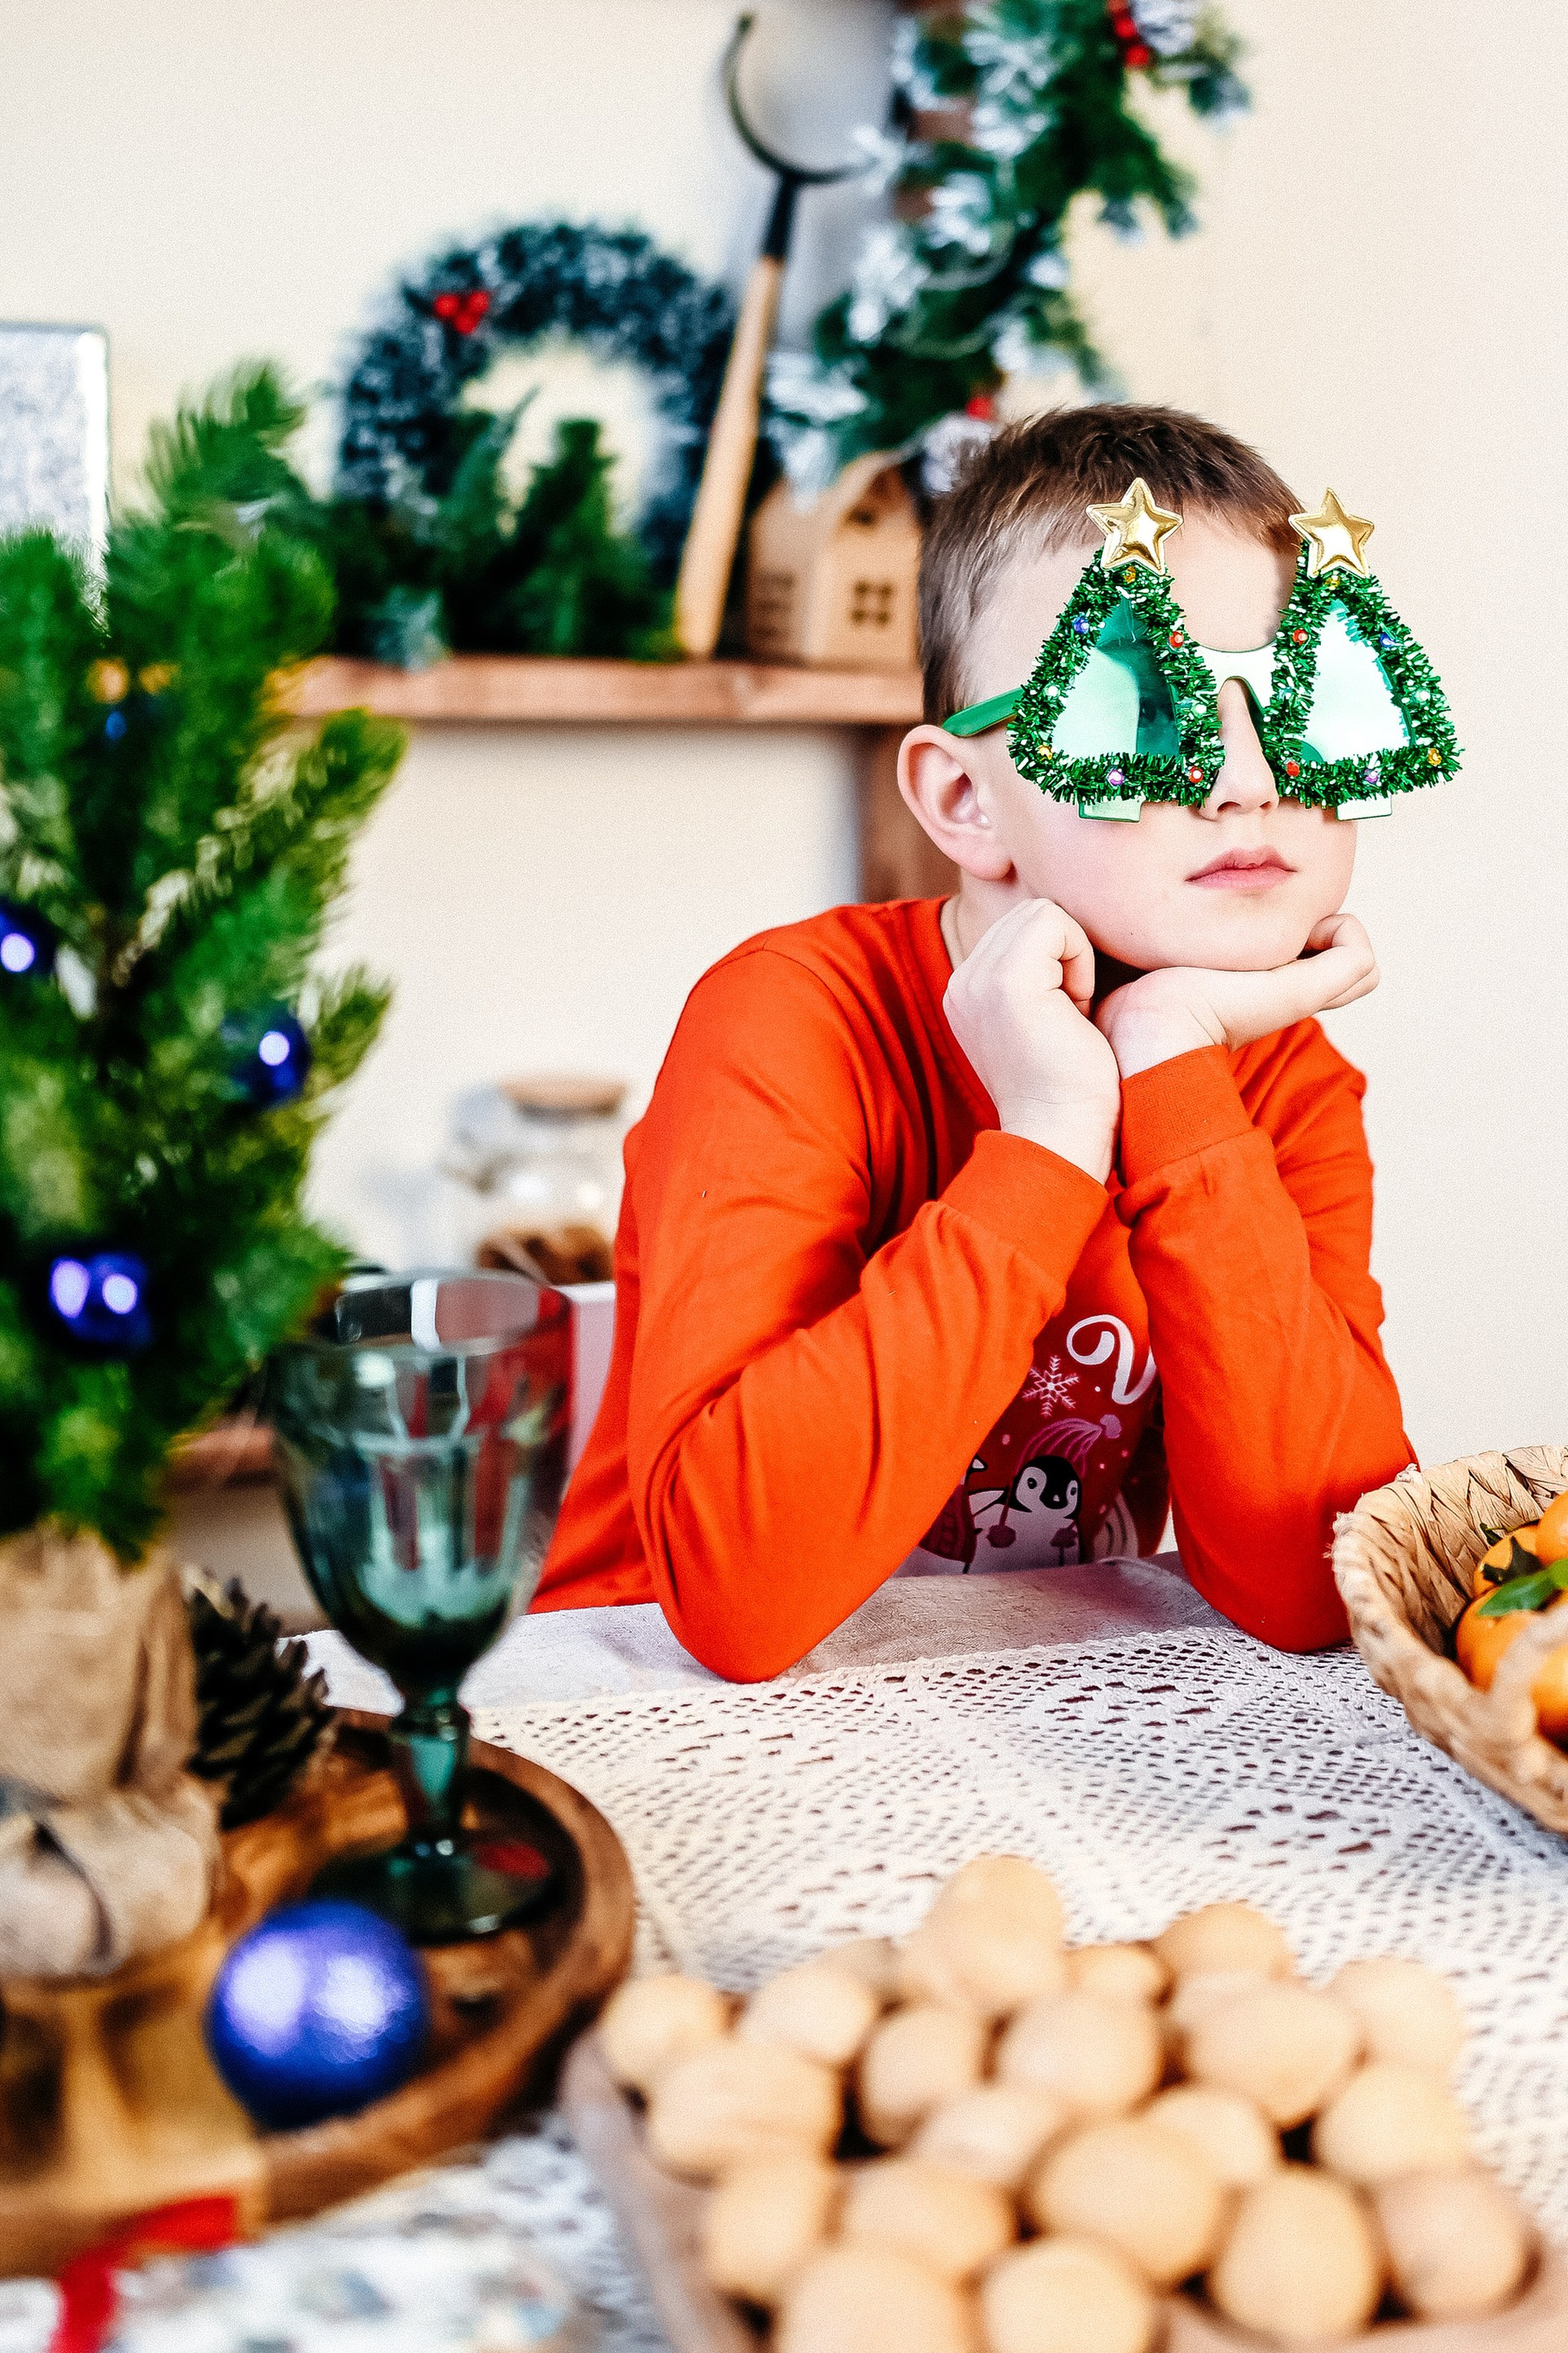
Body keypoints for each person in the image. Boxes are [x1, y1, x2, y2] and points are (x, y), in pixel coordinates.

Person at [537, 402, 1457, 1678]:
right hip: (652, 1714)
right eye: (1141, 711)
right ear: (967, 799)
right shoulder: (791, 1019)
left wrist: (1173, 1063)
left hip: (1024, 1696)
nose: (1248, 782)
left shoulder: (1277, 1079)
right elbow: (735, 1607)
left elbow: (1310, 1582)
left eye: (1301, 704)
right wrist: (1049, 1136)